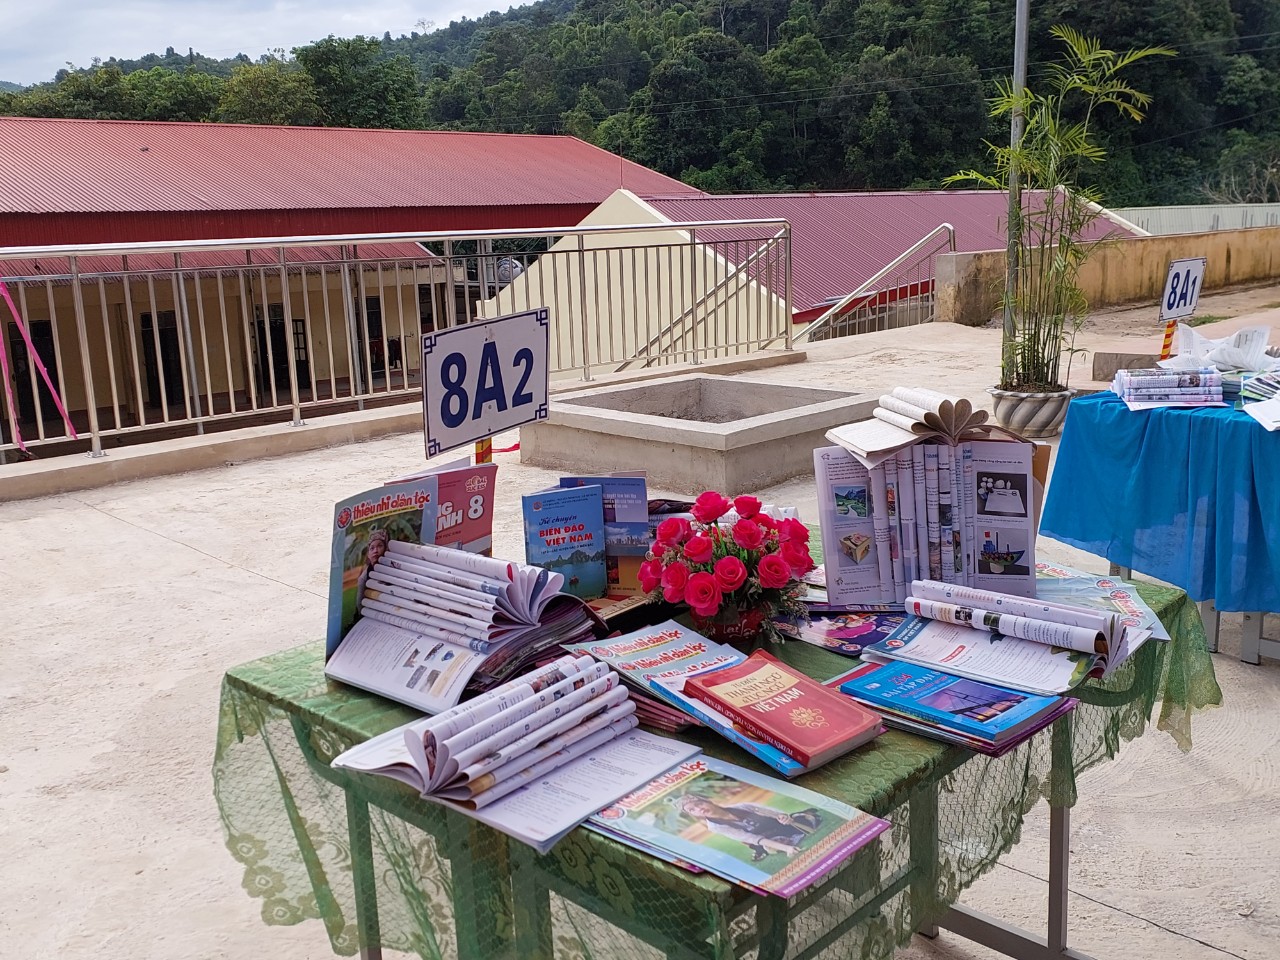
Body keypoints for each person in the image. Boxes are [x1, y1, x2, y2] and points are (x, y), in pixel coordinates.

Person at [678, 795, 822, 861]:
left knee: (806, 821)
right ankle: (763, 850)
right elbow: (750, 838)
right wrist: (787, 849)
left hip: (778, 826)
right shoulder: (715, 827)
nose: (699, 809)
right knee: (774, 846)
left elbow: (773, 813)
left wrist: (783, 817)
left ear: (707, 801)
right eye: (693, 810)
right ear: (694, 815)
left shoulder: (742, 806)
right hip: (765, 837)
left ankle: (801, 816)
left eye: (699, 804)